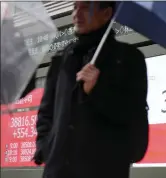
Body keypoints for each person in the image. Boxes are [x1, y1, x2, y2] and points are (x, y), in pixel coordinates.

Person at [33, 1, 149, 178]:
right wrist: (46, 148)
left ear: (106, 13)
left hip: (103, 169)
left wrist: (97, 90)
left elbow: (133, 116)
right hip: (59, 171)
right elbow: (46, 113)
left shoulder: (129, 59)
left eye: (86, 7)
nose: (76, 14)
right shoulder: (62, 59)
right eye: (75, 7)